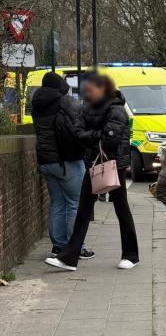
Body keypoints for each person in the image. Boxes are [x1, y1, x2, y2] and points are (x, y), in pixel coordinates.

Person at [45, 74, 139, 271]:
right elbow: (77, 132)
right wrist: (97, 136)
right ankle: (69, 257)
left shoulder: (116, 109)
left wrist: (93, 137)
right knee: (83, 210)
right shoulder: (88, 108)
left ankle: (131, 255)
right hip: (94, 164)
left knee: (121, 208)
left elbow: (110, 140)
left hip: (113, 165)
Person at [32, 72, 93, 259]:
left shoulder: (37, 105)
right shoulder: (64, 101)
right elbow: (82, 120)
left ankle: (58, 246)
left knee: (57, 203)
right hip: (67, 161)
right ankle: (75, 247)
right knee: (74, 204)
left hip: (46, 161)